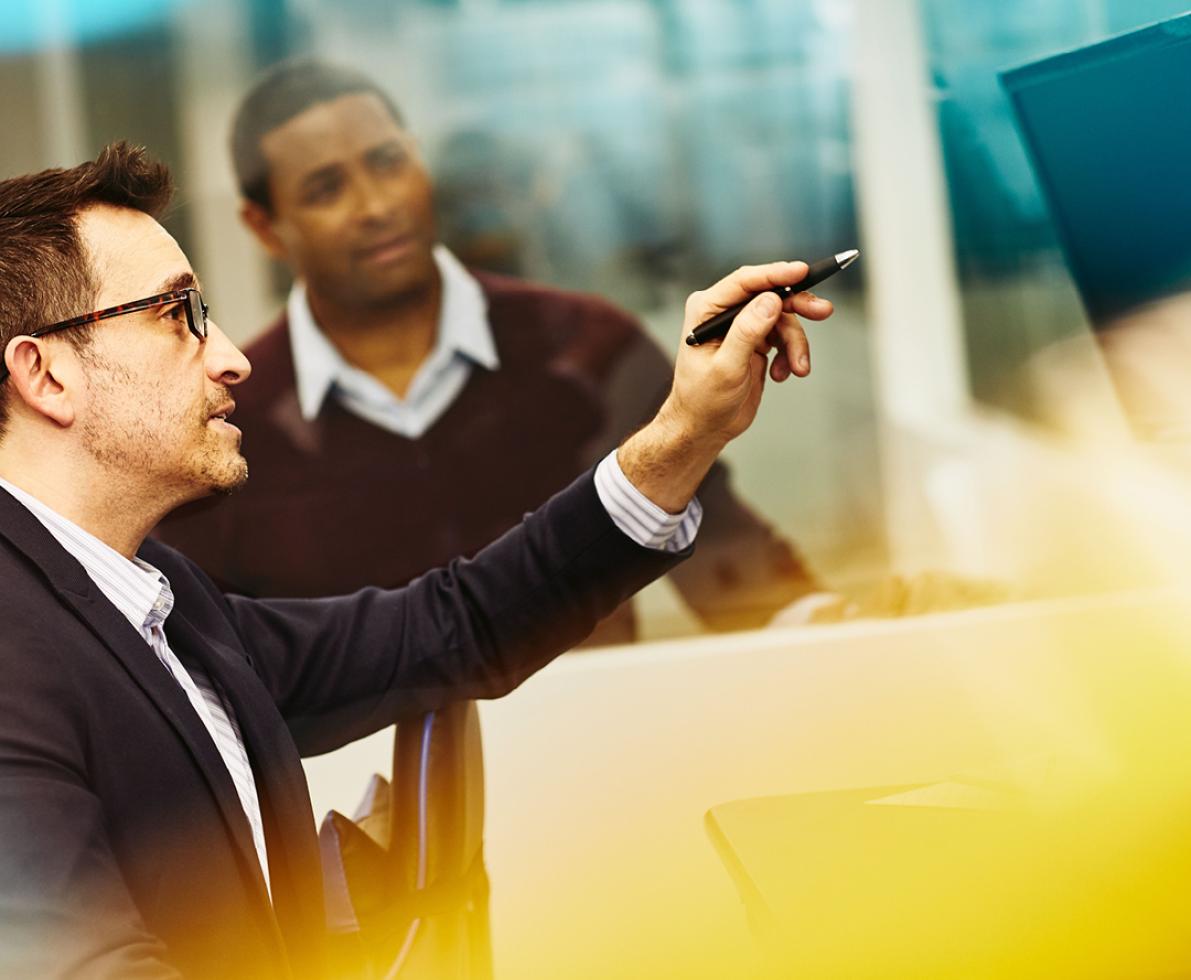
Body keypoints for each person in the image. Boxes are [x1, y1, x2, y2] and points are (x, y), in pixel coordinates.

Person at [0, 142, 832, 978]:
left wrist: (685, 433)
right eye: (177, 313)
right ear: (45, 373)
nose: (230, 356)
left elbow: (452, 627)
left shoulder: (157, 598)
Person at [154, 59, 822, 644]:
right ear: (263, 226)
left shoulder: (590, 351)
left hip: (609, 764)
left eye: (388, 163)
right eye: (326, 189)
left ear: (418, 162)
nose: (376, 205)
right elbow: (214, 669)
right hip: (356, 787)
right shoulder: (228, 417)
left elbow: (739, 577)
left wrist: (851, 633)